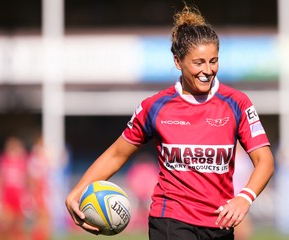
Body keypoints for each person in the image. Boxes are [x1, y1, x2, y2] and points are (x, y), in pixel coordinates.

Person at [65, 4, 274, 240]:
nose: (208, 70)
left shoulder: (237, 103)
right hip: (170, 220)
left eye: (213, 61)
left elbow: (264, 160)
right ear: (178, 61)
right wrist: (78, 190)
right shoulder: (154, 107)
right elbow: (117, 154)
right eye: (199, 63)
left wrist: (244, 198)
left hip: (219, 222)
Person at [0, 136, 30, 240]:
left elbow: (27, 180)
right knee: (4, 225)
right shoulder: (2, 160)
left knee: (18, 227)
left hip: (19, 197)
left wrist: (28, 197)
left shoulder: (23, 161)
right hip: (6, 196)